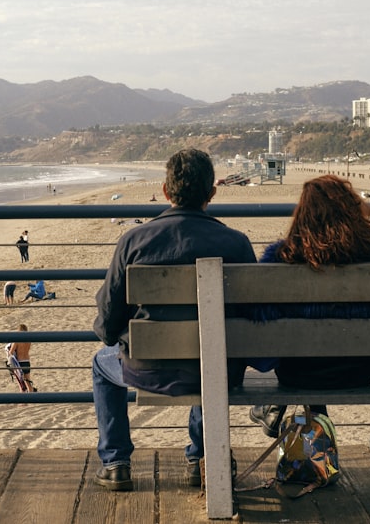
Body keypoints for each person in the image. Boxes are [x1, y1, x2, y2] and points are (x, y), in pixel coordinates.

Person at [92, 148, 256, 492]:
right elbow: (250, 317)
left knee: (100, 364)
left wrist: (117, 335)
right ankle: (201, 457)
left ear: (166, 191)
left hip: (149, 368)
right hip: (219, 370)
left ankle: (116, 462)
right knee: (211, 351)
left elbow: (108, 323)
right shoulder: (237, 243)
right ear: (211, 193)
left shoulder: (134, 240)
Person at [244, 175, 370, 437]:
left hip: (297, 376)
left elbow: (261, 333)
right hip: (358, 373)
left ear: (302, 214)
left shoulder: (281, 259)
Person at [5, 323, 36, 392]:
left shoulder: (17, 340)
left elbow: (11, 352)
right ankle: (31, 399)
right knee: (28, 383)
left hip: (19, 363)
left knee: (21, 385)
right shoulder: (29, 340)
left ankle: (23, 402)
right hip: (27, 362)